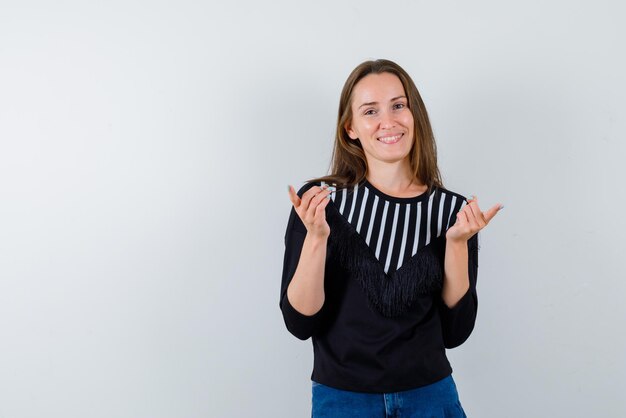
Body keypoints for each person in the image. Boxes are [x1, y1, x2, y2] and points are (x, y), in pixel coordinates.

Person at [280, 59, 502, 417]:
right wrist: (318, 238)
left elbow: (456, 332)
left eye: (399, 105)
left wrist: (458, 242)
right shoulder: (320, 202)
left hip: (430, 398)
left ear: (414, 114)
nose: (389, 121)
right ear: (350, 128)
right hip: (343, 399)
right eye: (370, 111)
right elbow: (300, 322)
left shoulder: (451, 210)